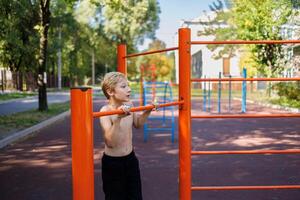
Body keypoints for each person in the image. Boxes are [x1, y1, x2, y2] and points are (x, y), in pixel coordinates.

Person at [99, 72, 155, 200]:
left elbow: (138, 124)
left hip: (130, 160)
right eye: (124, 86)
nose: (129, 89)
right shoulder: (105, 111)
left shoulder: (130, 105)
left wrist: (147, 111)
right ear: (110, 91)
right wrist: (118, 118)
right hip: (113, 163)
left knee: (135, 196)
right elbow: (110, 143)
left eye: (128, 86)